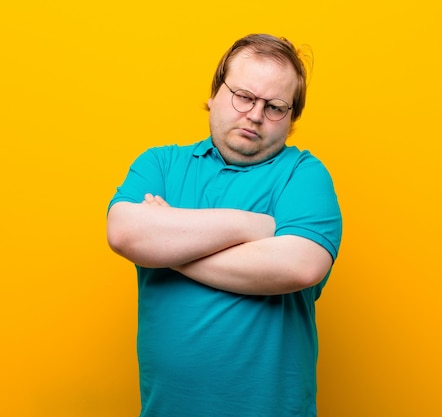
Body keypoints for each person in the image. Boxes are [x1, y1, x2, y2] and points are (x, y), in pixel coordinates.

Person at [107, 33, 342, 417]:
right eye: (244, 96)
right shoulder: (161, 165)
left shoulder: (303, 175)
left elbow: (302, 265)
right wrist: (252, 226)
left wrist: (167, 250)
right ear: (216, 93)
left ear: (292, 118)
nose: (254, 115)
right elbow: (123, 233)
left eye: (275, 106)